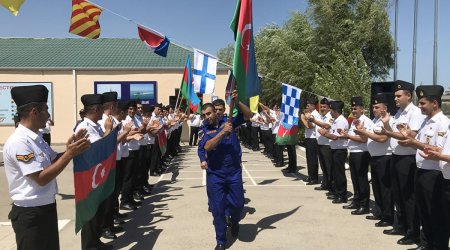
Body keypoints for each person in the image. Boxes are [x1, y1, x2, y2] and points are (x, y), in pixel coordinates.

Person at [4, 85, 90, 250]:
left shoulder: (37, 138)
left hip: (45, 208)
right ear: (34, 112)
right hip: (30, 214)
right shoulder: (19, 142)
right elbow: (41, 178)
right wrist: (69, 154)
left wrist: (72, 148)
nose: (49, 115)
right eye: (46, 110)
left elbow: (54, 159)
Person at [395, 85, 449, 249]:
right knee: (423, 210)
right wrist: (408, 138)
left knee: (436, 214)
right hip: (421, 170)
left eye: (423, 103)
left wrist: (414, 142)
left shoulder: (443, 123)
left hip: (434, 174)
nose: (420, 106)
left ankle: (436, 245)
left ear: (434, 103)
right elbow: (418, 145)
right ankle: (426, 243)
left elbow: (437, 150)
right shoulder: (425, 122)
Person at [197, 90, 252, 250]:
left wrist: (238, 100)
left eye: (209, 113)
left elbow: (249, 115)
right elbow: (207, 147)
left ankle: (234, 220)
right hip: (215, 174)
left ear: (216, 112)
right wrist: (222, 133)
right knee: (217, 209)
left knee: (239, 204)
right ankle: (221, 240)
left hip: (234, 172)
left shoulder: (229, 121)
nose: (207, 116)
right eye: (204, 114)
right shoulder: (204, 129)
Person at [375, 80, 424, 245]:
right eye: (395, 96)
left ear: (408, 96)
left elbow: (409, 137)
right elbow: (393, 134)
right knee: (398, 194)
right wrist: (388, 124)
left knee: (409, 196)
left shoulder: (414, 112)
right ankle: (401, 225)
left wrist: (388, 131)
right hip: (396, 156)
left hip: (407, 159)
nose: (395, 99)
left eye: (398, 96)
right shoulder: (398, 113)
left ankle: (413, 232)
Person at [75, 93, 114, 250]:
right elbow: (99, 149)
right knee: (90, 216)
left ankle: (96, 242)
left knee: (97, 213)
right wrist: (109, 130)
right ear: (96, 109)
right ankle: (89, 246)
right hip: (88, 176)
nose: (103, 113)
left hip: (97, 175)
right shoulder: (84, 127)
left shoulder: (95, 126)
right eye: (101, 109)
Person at [353, 94, 394, 227]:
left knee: (385, 189)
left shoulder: (388, 121)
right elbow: (370, 137)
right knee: (376, 187)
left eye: (377, 107)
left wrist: (364, 132)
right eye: (373, 107)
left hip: (385, 158)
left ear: (385, 108)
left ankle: (388, 217)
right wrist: (362, 131)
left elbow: (382, 139)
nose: (374, 109)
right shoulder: (375, 121)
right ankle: (379, 211)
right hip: (375, 158)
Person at [340, 97, 373, 215]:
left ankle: (364, 205)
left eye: (356, 108)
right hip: (354, 152)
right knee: (354, 179)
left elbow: (363, 139)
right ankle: (356, 200)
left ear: (362, 109)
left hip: (362, 153)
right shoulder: (354, 121)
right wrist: (346, 135)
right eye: (352, 108)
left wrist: (348, 136)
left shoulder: (366, 121)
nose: (353, 111)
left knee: (361, 179)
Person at [318, 100, 349, 204]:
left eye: (331, 109)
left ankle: (342, 195)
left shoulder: (341, 121)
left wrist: (324, 134)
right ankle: (337, 192)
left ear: (335, 110)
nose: (330, 111)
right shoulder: (335, 120)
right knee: (335, 173)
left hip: (340, 150)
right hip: (335, 149)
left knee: (339, 173)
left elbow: (335, 136)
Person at [308, 98, 333, 191]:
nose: (322, 108)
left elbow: (327, 126)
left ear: (329, 108)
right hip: (320, 143)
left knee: (329, 167)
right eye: (321, 106)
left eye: (324, 107)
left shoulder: (330, 116)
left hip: (327, 145)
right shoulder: (321, 116)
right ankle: (325, 184)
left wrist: (314, 121)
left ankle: (331, 186)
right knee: (323, 166)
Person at [301, 97, 321, 185]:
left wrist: (303, 119)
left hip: (313, 138)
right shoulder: (310, 113)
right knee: (309, 158)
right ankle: (310, 176)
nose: (307, 106)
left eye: (309, 105)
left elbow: (309, 126)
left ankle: (314, 178)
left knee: (312, 159)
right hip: (308, 137)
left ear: (313, 105)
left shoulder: (314, 114)